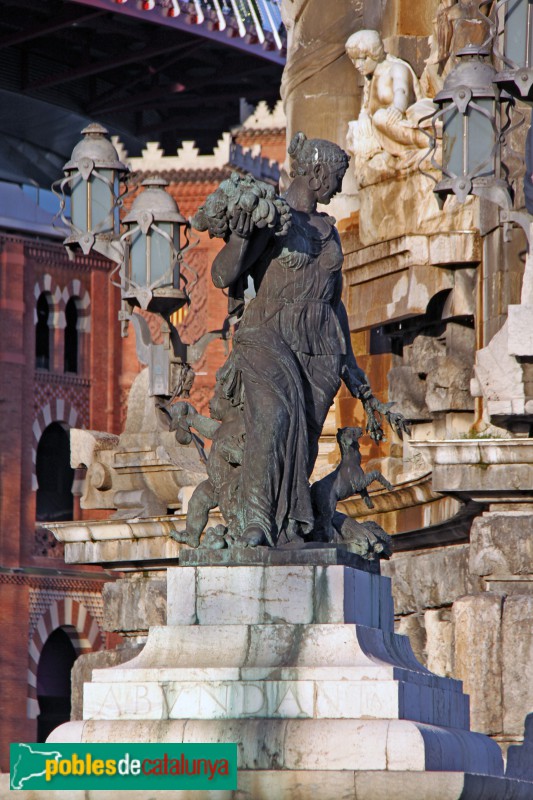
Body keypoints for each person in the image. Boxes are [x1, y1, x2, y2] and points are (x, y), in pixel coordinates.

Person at [209, 132, 408, 547]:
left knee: (304, 440)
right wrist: (243, 237)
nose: (338, 186)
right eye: (336, 177)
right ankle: (258, 523)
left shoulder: (330, 231)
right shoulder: (273, 218)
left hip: (321, 349)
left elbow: (335, 303)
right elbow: (222, 275)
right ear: (317, 172)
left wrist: (351, 367)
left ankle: (290, 528)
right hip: (269, 335)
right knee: (273, 419)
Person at [345, 30, 435, 166]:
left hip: (399, 120)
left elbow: (401, 91)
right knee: (354, 132)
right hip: (382, 129)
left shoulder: (396, 68)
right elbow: (367, 107)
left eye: (363, 59)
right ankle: (390, 151)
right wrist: (363, 116)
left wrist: (398, 108)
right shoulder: (370, 78)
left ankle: (427, 141)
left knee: (380, 117)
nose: (358, 65)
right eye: (354, 60)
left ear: (374, 54)